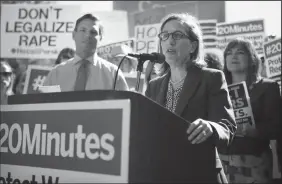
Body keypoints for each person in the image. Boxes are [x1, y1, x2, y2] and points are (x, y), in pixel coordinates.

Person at [145, 13, 236, 183]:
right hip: (163, 173)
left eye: (177, 35)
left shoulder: (212, 78)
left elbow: (227, 126)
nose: (170, 41)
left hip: (200, 173)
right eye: (165, 35)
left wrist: (211, 127)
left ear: (193, 46)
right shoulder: (153, 86)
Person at [220, 37, 281, 183]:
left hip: (254, 163)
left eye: (240, 52)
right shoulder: (217, 88)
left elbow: (277, 126)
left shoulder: (267, 87)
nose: (233, 56)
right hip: (222, 163)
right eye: (229, 53)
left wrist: (255, 130)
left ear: (251, 58)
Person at [44, 13, 129, 91]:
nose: (88, 35)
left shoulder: (113, 74)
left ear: (100, 38)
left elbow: (125, 105)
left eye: (93, 32)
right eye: (83, 30)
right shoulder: (55, 74)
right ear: (74, 35)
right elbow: (44, 105)